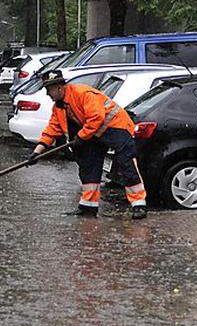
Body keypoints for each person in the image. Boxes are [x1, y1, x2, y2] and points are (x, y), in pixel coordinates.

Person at [27, 70, 147, 219]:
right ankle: (88, 206)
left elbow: (96, 117)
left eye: (49, 90)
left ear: (59, 87)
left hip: (116, 127)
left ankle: (139, 204)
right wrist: (37, 152)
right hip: (94, 132)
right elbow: (52, 130)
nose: (47, 94)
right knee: (89, 165)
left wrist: (81, 136)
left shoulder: (83, 94)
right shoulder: (59, 107)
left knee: (125, 163)